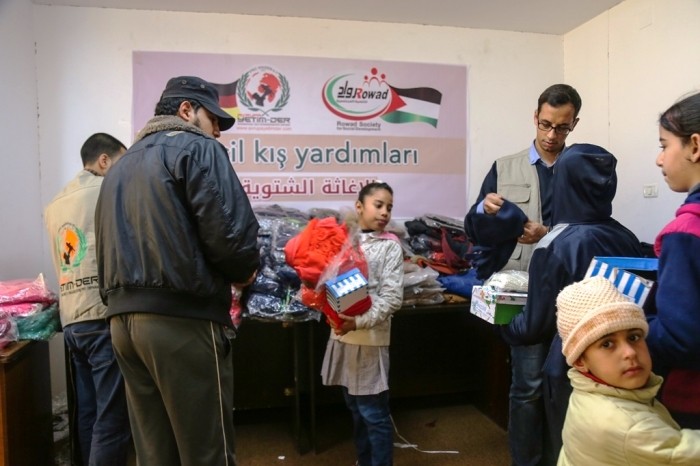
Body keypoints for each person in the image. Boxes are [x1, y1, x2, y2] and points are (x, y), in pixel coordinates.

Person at [95, 76, 260, 465]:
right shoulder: (198, 148)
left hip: (122, 324)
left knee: (155, 452)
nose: (217, 130)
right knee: (206, 452)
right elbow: (230, 234)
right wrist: (246, 270)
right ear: (186, 110)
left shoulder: (119, 167)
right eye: (213, 119)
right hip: (181, 320)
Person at [498, 143, 643, 465]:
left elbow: (533, 327)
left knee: (568, 443)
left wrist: (502, 322)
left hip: (570, 368)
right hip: (620, 361)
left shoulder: (554, 245)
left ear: (561, 183)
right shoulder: (626, 236)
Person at [466, 83, 581, 466]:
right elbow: (474, 229)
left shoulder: (579, 169)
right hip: (522, 291)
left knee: (566, 385)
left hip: (570, 291)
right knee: (527, 385)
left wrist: (546, 233)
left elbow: (590, 229)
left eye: (561, 127)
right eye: (545, 124)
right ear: (535, 117)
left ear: (574, 124)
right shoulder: (504, 167)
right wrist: (483, 209)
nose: (551, 135)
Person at [44, 133, 132, 466]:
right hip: (100, 316)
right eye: (121, 162)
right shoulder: (107, 190)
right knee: (112, 418)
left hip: (72, 321)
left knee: (88, 412)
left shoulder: (54, 204)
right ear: (104, 160)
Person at [555, 276, 700, 465]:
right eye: (607, 344)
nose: (630, 352)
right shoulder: (631, 427)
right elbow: (686, 454)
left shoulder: (587, 390)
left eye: (633, 337)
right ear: (580, 361)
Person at [320, 182, 404, 466]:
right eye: (378, 205)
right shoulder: (344, 240)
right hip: (341, 335)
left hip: (369, 340)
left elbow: (392, 298)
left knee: (373, 413)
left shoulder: (389, 246)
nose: (385, 212)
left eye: (389, 207)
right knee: (355, 409)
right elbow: (327, 282)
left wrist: (357, 322)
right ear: (359, 207)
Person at [646, 92, 700, 428]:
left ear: (695, 146)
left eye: (664, 145)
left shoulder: (686, 233)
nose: (659, 159)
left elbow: (681, 339)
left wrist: (634, 324)